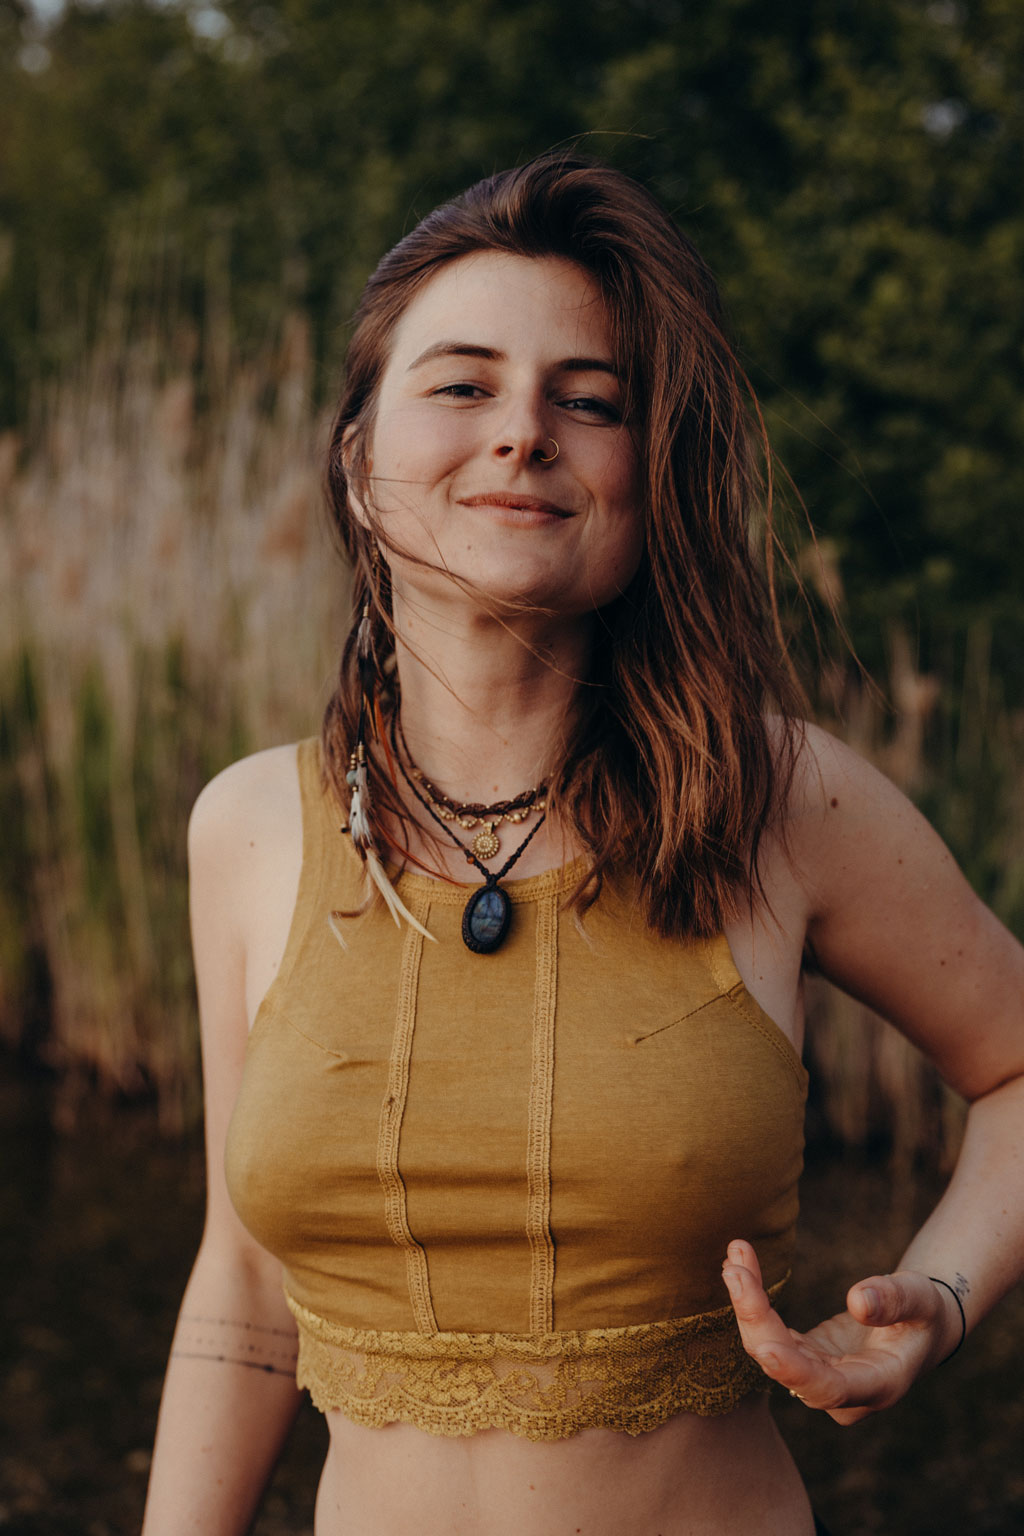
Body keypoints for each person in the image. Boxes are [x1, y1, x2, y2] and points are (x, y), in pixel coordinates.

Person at [141, 153, 1024, 1536]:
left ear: (645, 481)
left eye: (589, 401)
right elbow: (245, 1286)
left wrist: (944, 1302)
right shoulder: (251, 826)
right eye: (462, 383)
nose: (523, 432)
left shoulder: (784, 800)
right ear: (358, 457)